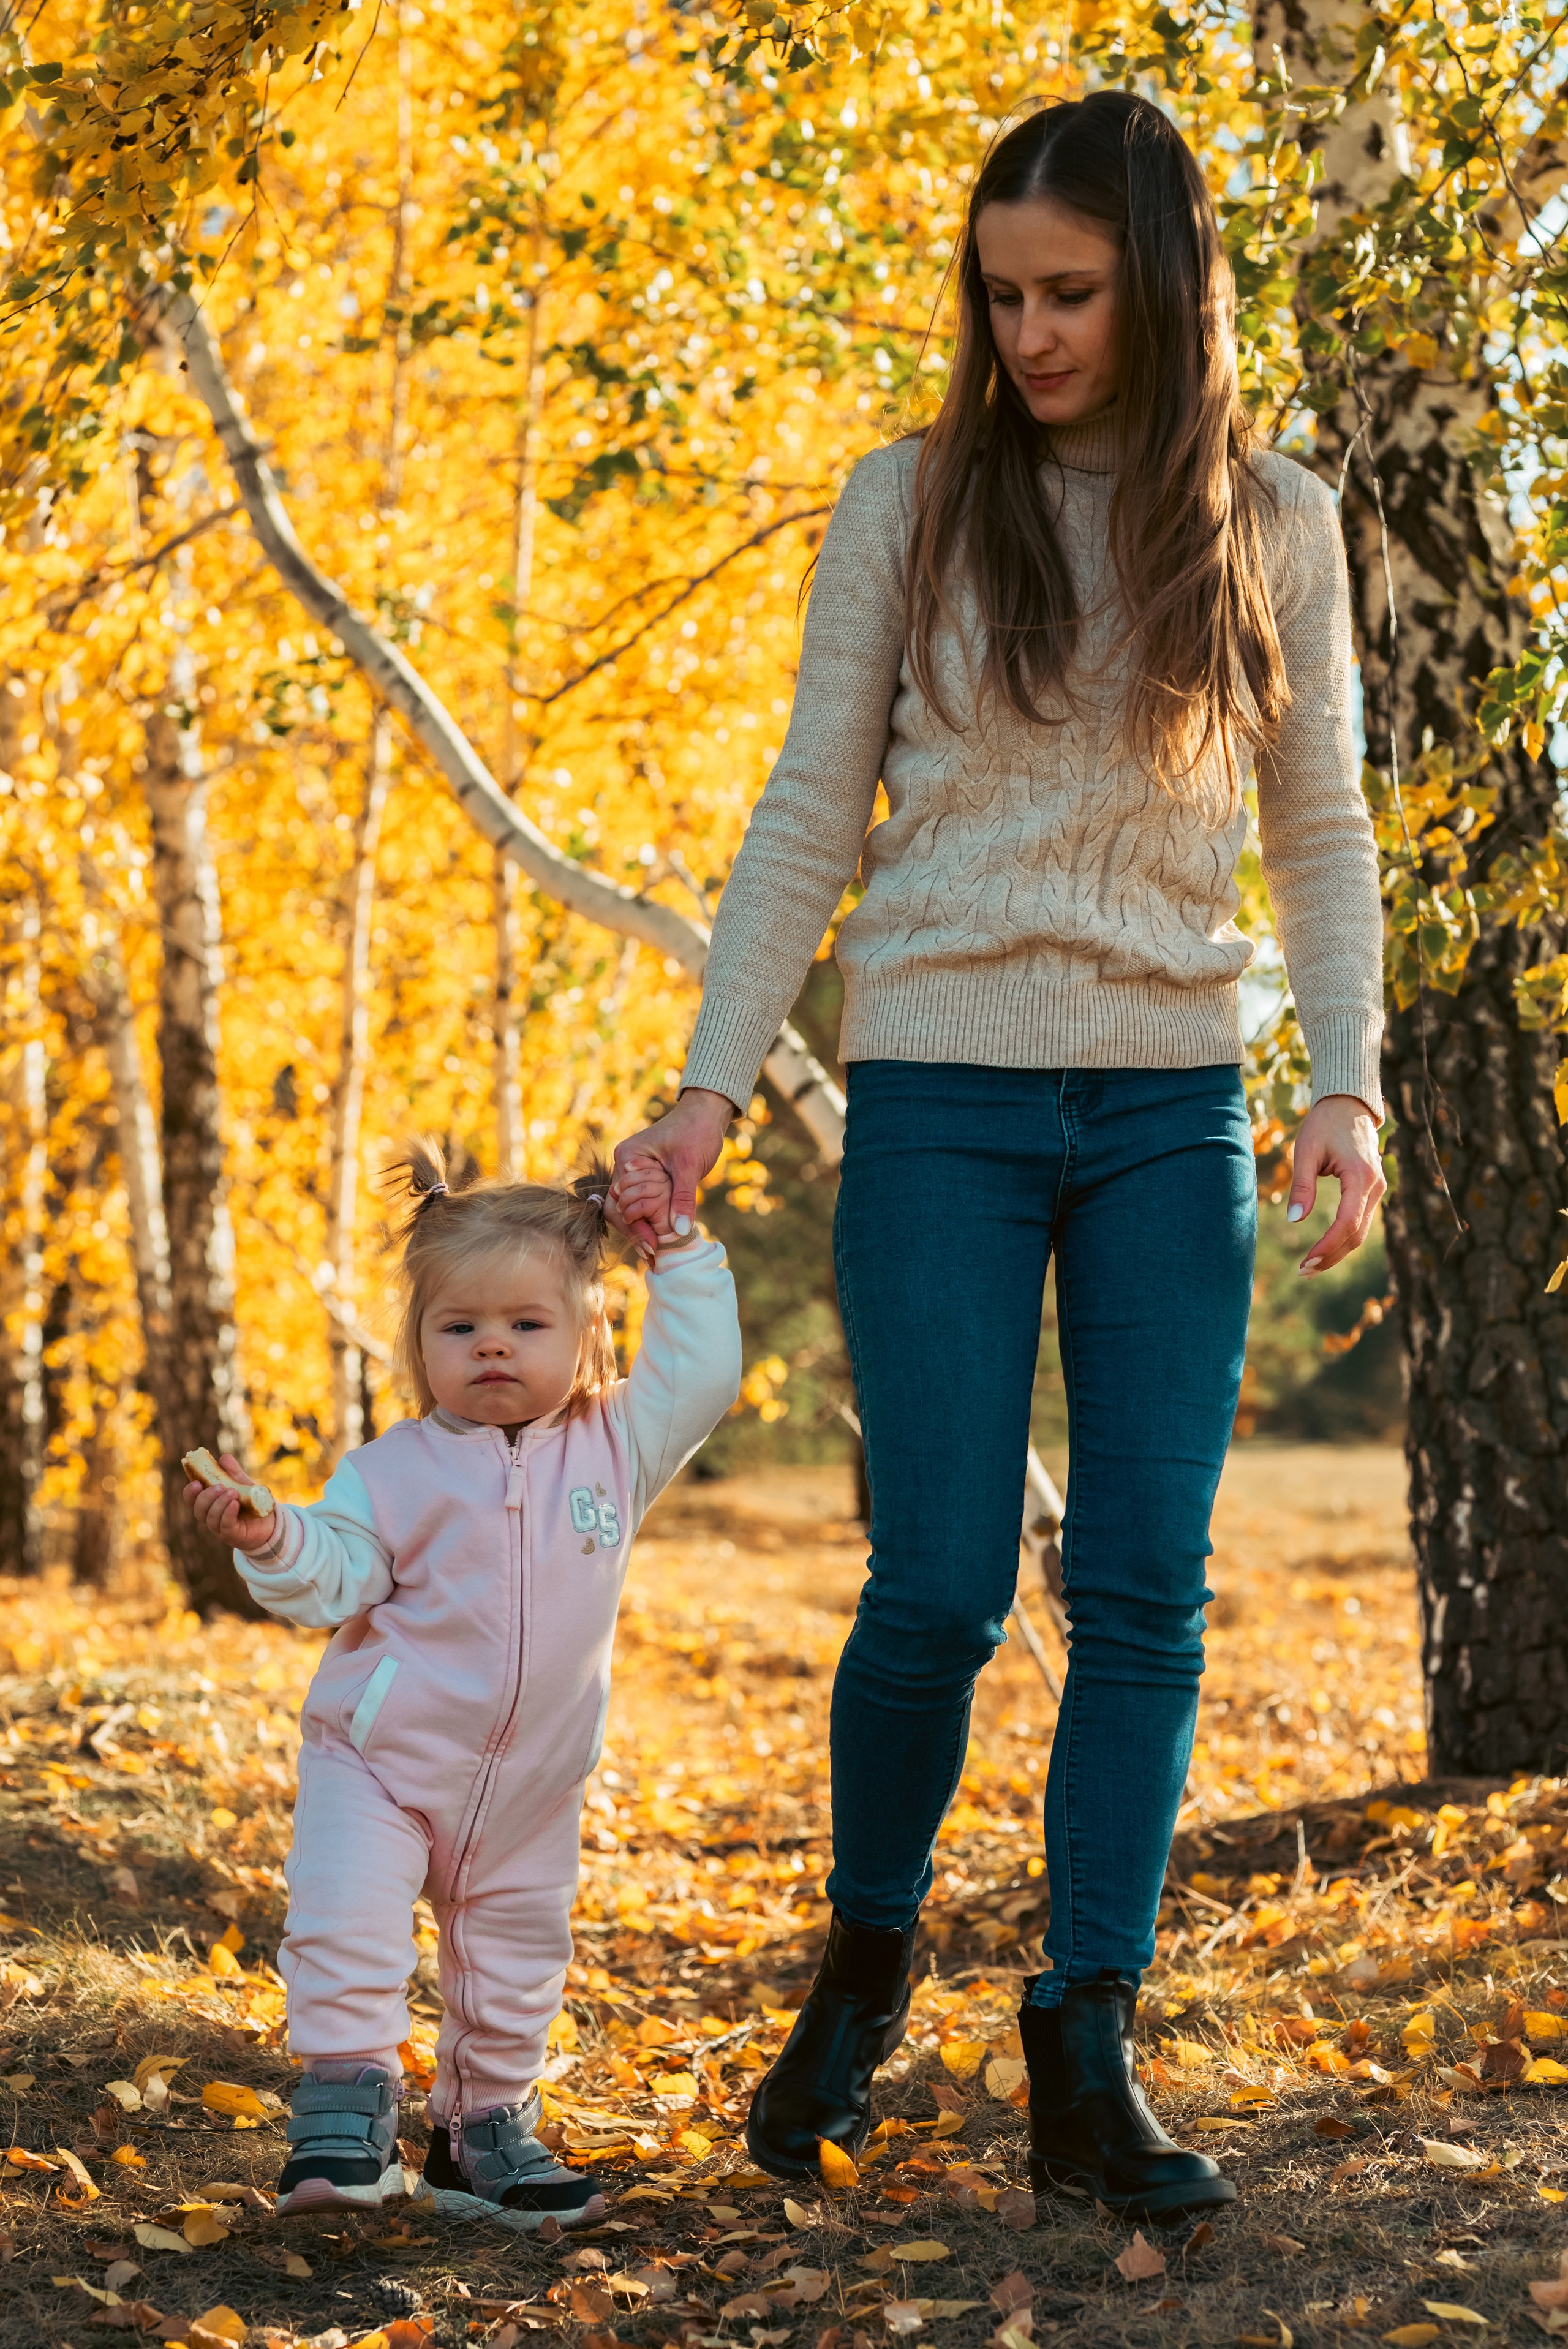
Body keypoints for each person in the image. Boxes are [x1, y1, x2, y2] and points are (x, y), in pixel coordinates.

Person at [609, 91, 1385, 2222]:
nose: (1025, 330)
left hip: (1173, 1106)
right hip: (937, 1085)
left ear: (1162, 285)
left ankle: (1088, 2033)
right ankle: (866, 1952)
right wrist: (706, 1082)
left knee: (1146, 1588)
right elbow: (803, 813)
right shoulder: (913, 502)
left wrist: (1348, 1082)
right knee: (938, 1580)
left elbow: (1323, 829)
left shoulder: (1275, 521)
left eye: (1067, 291)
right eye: (998, 292)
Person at [185, 1145, 740, 2230]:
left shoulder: (618, 1446)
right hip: (380, 1762)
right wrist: (272, 1534)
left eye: (528, 1325)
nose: (493, 1343)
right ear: (420, 1343)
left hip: (533, 1779)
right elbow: (333, 1571)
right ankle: (344, 2113)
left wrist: (673, 1248)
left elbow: (706, 1372)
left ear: (586, 1334)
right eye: (460, 1327)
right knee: (347, 1927)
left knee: (517, 1956)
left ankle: (483, 2134)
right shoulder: (391, 1471)